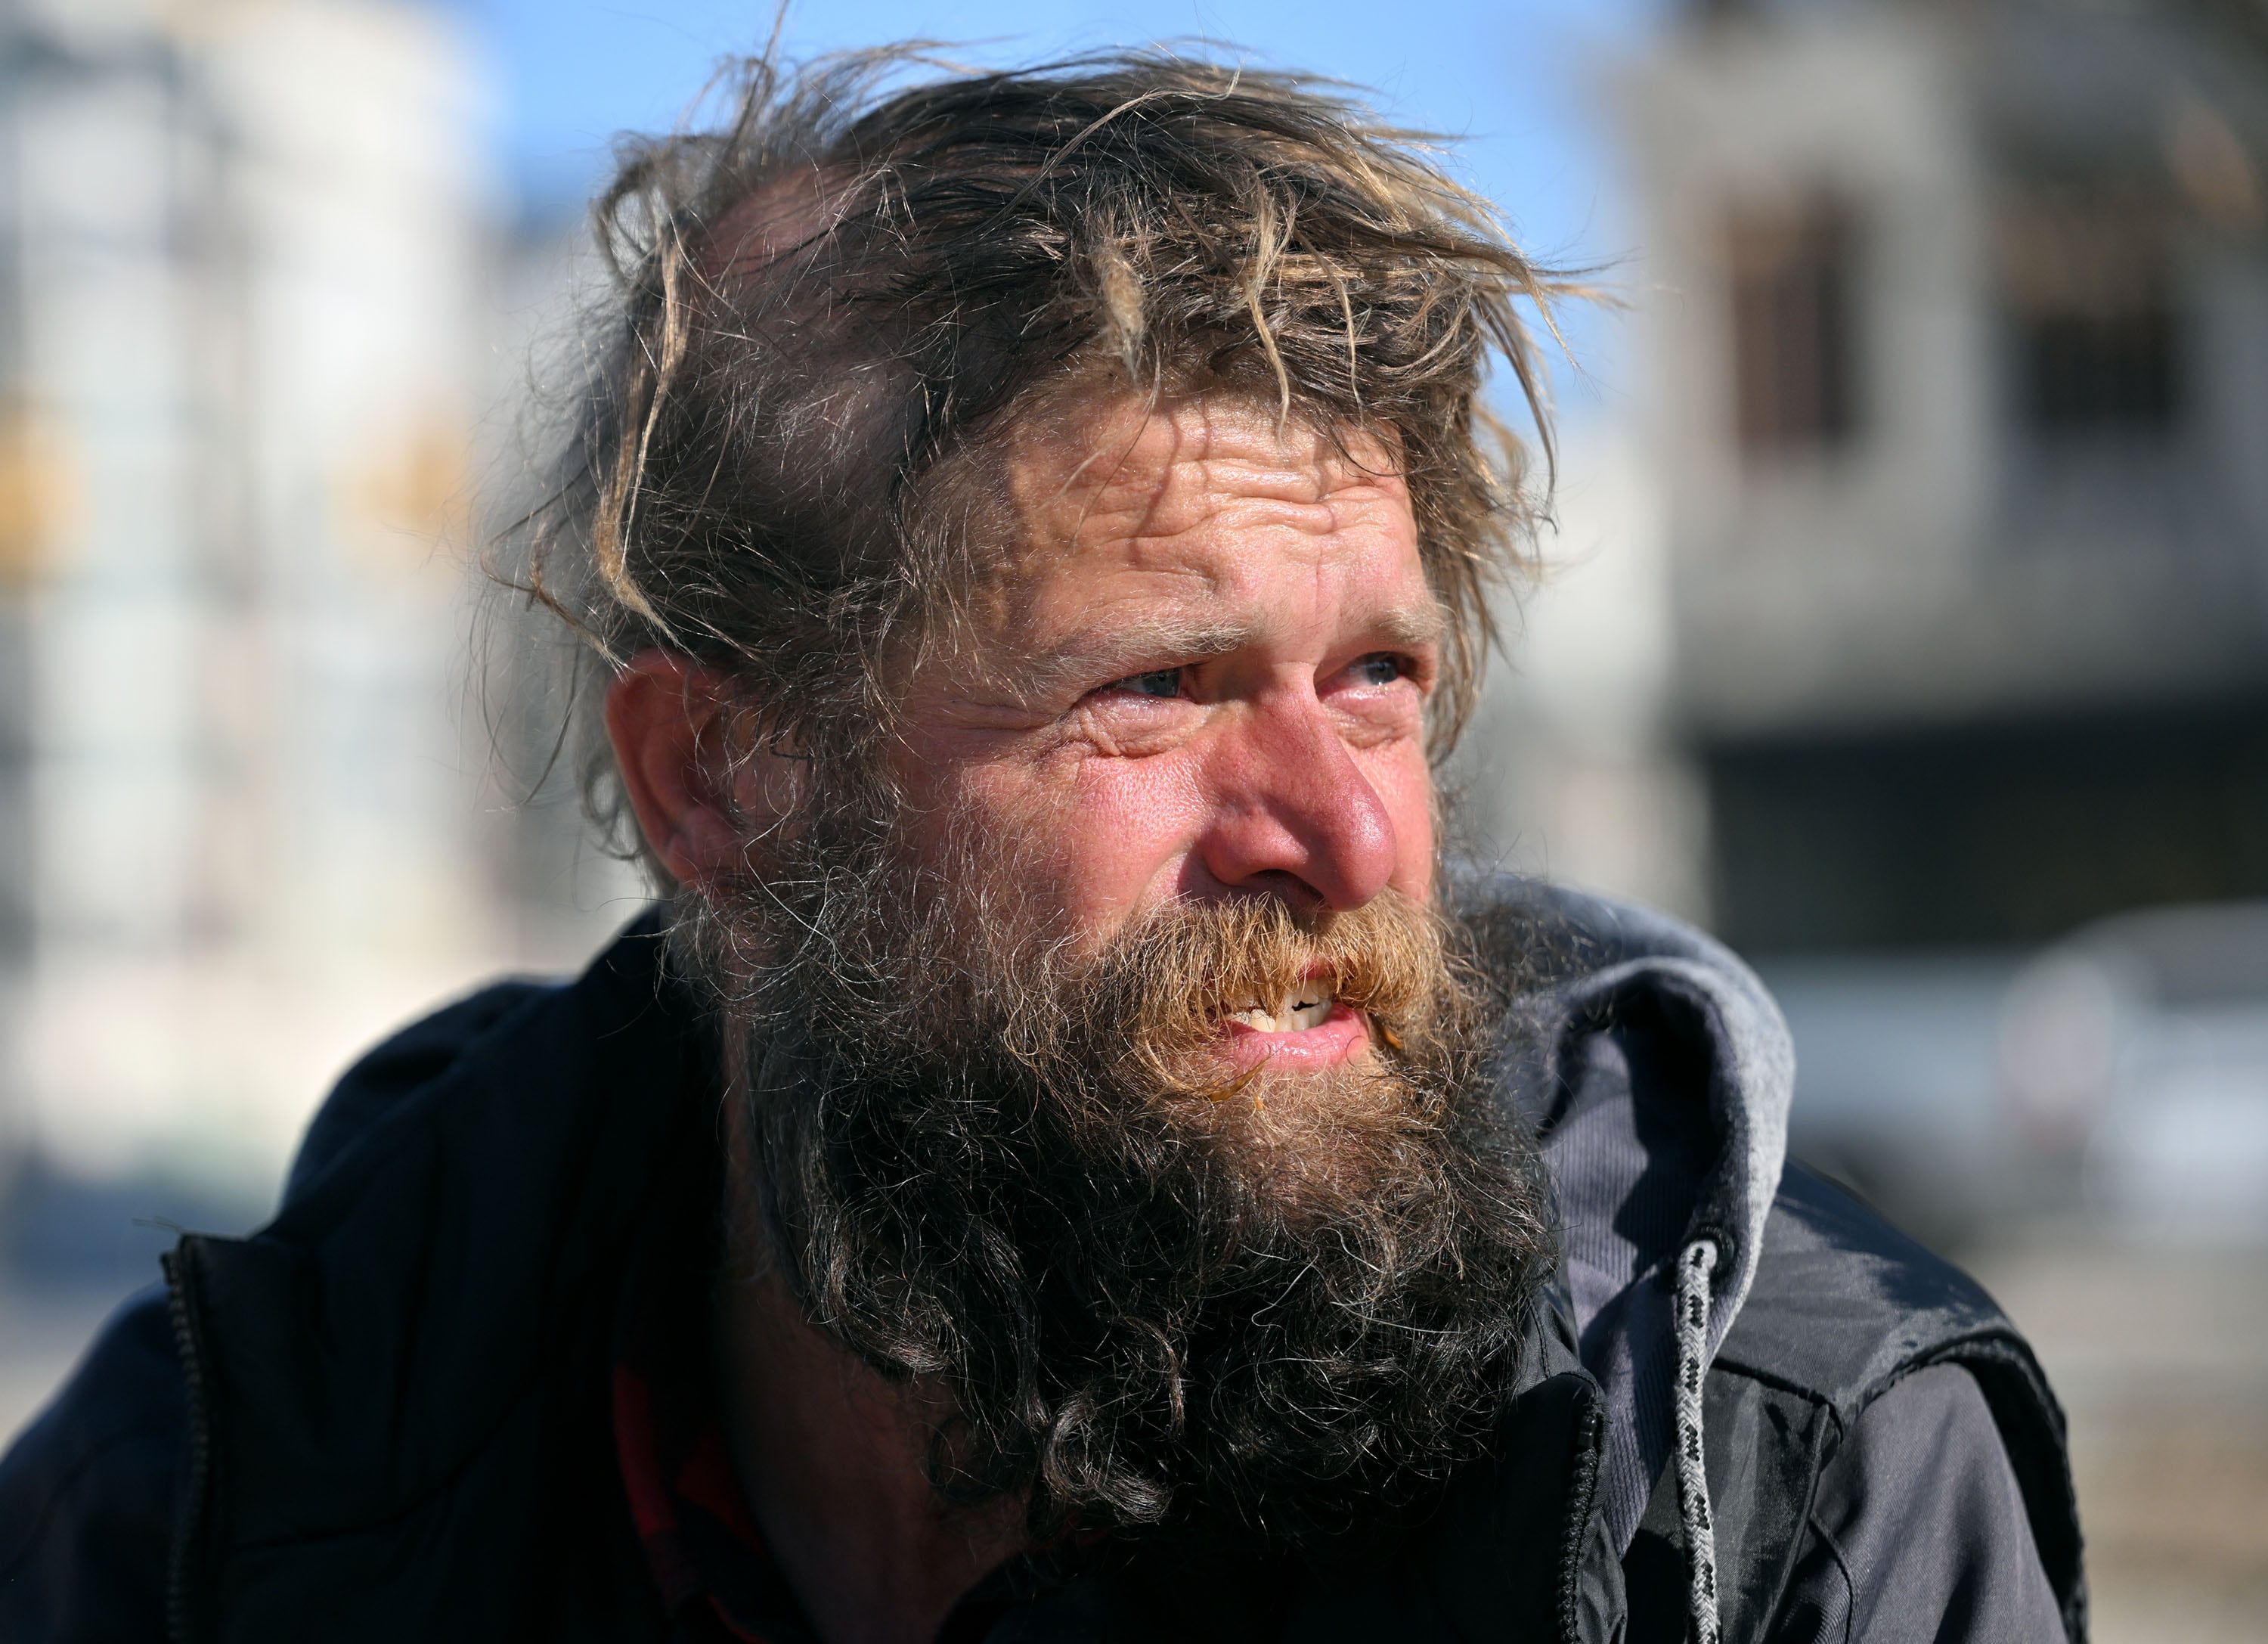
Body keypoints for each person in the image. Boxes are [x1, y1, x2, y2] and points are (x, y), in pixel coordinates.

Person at [0, 49, 2084, 1644]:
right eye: (1157, 691)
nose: (1346, 832)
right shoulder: (228, 1487)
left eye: (1378, 676)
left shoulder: (1776, 1480)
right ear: (717, 783)